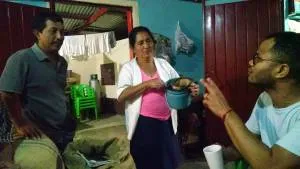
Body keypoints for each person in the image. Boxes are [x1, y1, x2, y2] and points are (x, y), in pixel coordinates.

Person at [200, 32, 300, 169]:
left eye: (257, 58)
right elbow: (250, 138)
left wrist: (226, 112)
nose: (250, 62)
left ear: (281, 70)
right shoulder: (265, 99)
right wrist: (225, 153)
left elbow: (270, 165)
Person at [0, 12, 76, 168]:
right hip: (37, 133)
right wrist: (20, 123)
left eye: (62, 32)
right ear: (37, 33)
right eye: (53, 31)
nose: (60, 36)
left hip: (62, 131)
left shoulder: (62, 62)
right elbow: (6, 94)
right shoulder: (21, 59)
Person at [117, 26, 199, 169]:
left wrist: (189, 86)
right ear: (133, 48)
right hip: (144, 125)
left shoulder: (163, 64)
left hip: (167, 122)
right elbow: (121, 95)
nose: (146, 45)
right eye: (140, 43)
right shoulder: (128, 68)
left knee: (169, 162)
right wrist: (147, 84)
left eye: (148, 41)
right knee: (148, 163)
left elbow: (176, 83)